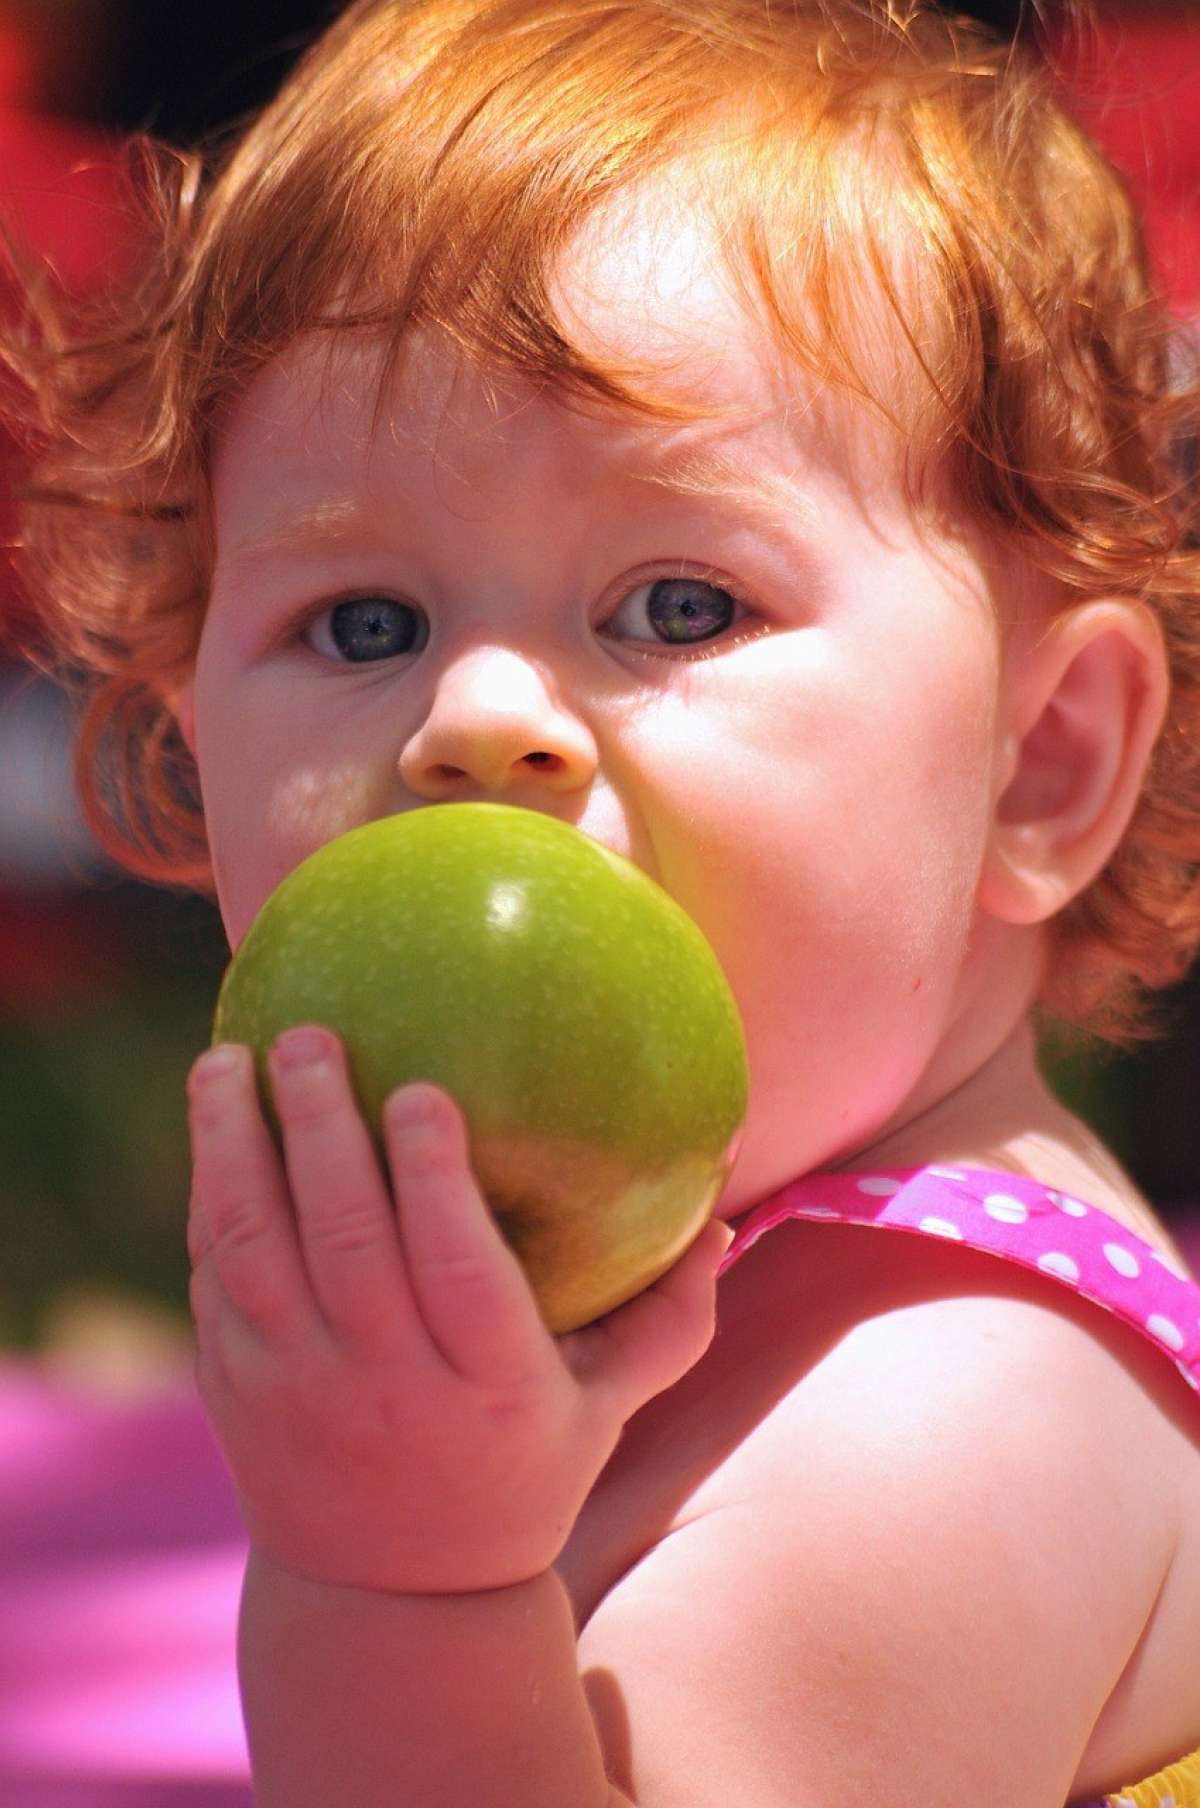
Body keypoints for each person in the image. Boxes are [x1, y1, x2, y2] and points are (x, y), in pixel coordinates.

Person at [5, 0, 1200, 1801]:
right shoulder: (762, 1295)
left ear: (1039, 765)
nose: (478, 720)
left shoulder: (947, 1417)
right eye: (367, 625)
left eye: (680, 607)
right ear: (192, 745)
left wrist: (398, 1577)